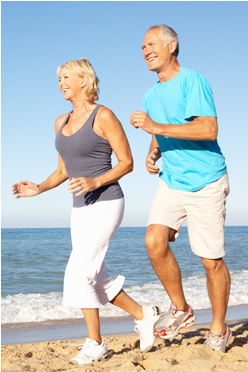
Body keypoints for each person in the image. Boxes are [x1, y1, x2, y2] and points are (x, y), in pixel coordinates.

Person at [12, 57, 161, 364]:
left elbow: (126, 162)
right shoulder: (60, 122)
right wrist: (37, 188)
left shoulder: (103, 115)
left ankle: (95, 342)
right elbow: (63, 170)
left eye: (66, 77)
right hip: (79, 207)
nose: (61, 83)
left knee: (79, 273)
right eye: (58, 80)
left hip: (107, 202)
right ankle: (143, 314)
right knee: (96, 275)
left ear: (83, 80)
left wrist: (95, 181)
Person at [130, 24, 232, 353]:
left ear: (171, 45)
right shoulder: (151, 94)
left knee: (210, 261)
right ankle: (182, 309)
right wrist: (152, 151)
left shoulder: (192, 80)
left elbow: (208, 128)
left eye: (151, 44)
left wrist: (154, 126)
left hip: (206, 181)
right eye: (142, 47)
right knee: (154, 240)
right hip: (172, 180)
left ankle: (219, 328)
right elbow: (159, 131)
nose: (145, 51)